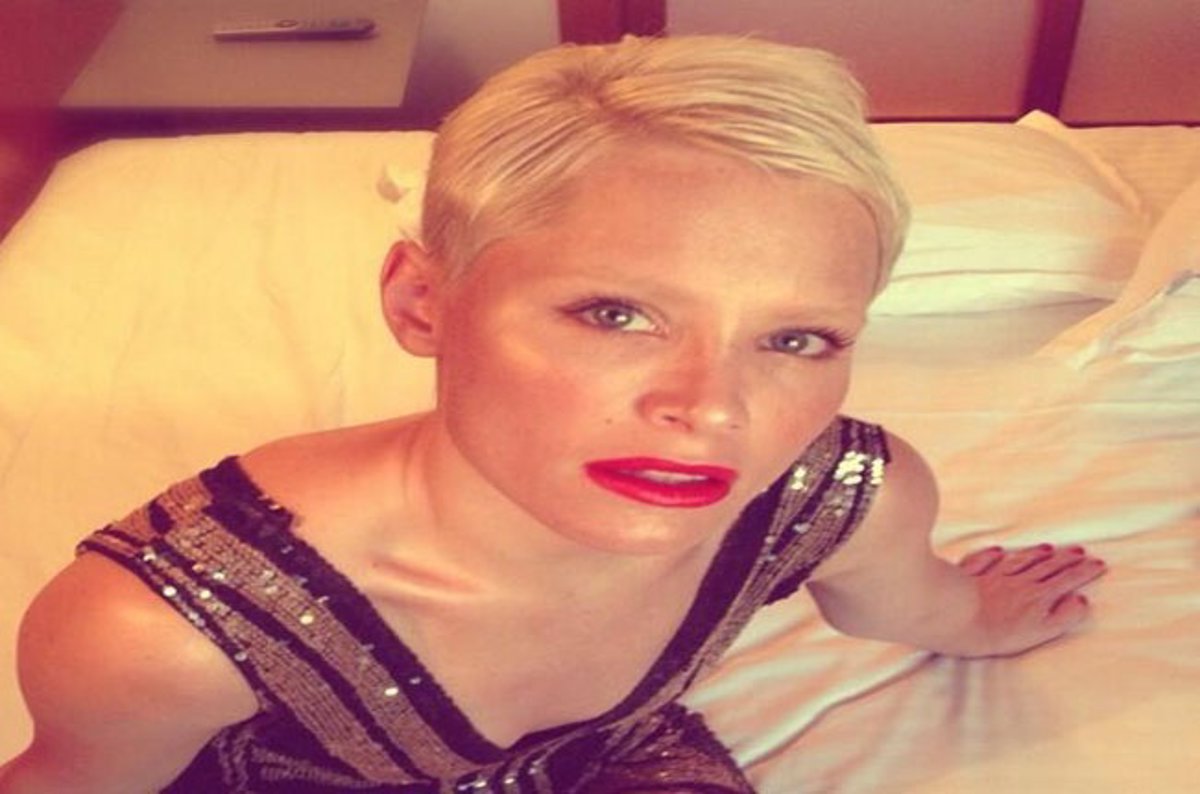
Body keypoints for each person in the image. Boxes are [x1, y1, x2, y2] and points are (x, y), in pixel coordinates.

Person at [0, 35, 1105, 794]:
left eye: (796, 338)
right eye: (616, 314)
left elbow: (913, 605)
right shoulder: (162, 631)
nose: (710, 409)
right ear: (423, 303)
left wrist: (982, 613)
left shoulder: (838, 496)